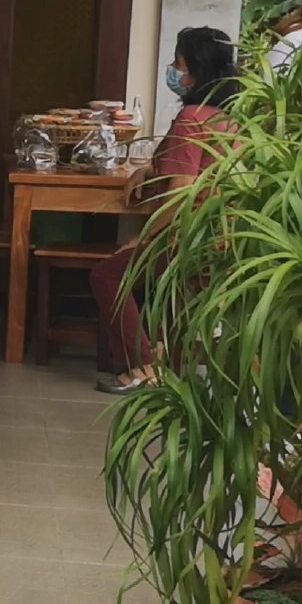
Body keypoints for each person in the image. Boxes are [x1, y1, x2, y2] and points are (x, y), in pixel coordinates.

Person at [89, 27, 241, 395]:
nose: (173, 71)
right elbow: (188, 162)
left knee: (107, 275)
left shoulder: (192, 117)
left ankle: (144, 365)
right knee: (130, 273)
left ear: (197, 71)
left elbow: (181, 194)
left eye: (178, 64)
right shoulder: (228, 116)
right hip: (223, 235)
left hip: (189, 237)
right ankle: (149, 358)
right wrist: (148, 168)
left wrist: (145, 239)